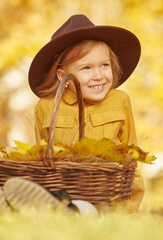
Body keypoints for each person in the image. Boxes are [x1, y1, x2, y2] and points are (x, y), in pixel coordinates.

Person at [29, 14, 144, 212]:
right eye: (86, 68)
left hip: (107, 197)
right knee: (57, 203)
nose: (98, 76)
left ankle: (76, 211)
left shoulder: (120, 101)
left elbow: (131, 163)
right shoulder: (46, 107)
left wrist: (128, 210)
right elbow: (42, 159)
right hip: (62, 191)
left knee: (87, 210)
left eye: (104, 65)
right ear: (62, 75)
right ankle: (13, 201)